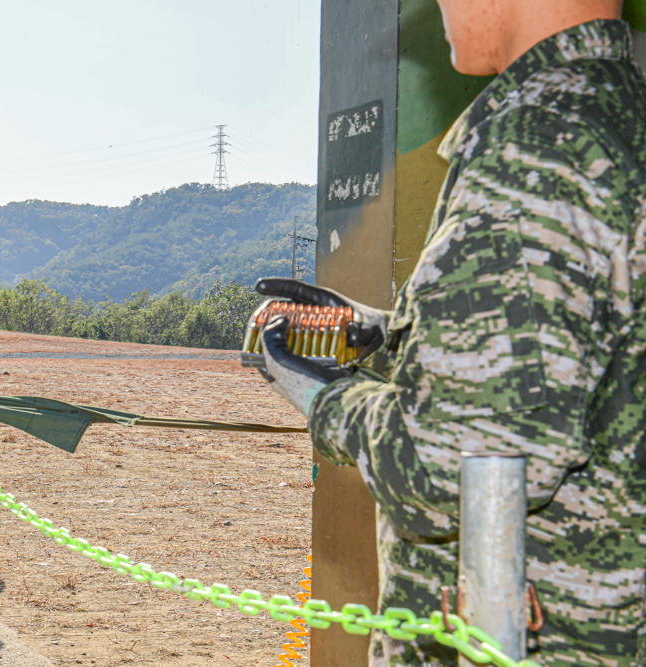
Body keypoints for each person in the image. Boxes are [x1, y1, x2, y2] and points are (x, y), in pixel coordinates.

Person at [256, 3, 646, 665]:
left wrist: (325, 398)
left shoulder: (539, 144)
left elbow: (455, 464)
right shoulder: (613, 114)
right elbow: (574, 358)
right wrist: (388, 335)